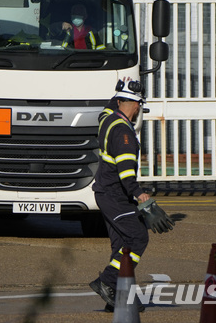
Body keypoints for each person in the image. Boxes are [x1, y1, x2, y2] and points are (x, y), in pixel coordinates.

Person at [89, 78, 150, 312]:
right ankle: (107, 281)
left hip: (105, 192)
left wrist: (117, 91)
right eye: (139, 107)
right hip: (116, 194)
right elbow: (126, 172)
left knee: (121, 245)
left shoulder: (108, 119)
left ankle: (115, 297)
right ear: (136, 106)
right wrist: (140, 194)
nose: (138, 112)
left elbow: (106, 109)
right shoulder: (124, 133)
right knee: (138, 237)